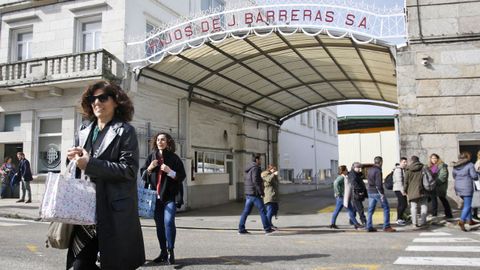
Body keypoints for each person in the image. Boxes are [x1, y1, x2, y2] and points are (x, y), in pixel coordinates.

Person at [66, 81, 145, 269]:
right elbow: (78, 167)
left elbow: (129, 170)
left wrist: (91, 164)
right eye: (93, 99)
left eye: (103, 98)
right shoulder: (84, 130)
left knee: (115, 264)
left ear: (116, 102)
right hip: (85, 210)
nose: (97, 102)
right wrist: (73, 159)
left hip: (112, 211)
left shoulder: (125, 131)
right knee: (79, 265)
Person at [140, 132, 186, 265]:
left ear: (168, 142)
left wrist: (169, 171)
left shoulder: (174, 158)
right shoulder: (151, 157)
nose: (160, 142)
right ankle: (163, 252)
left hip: (170, 197)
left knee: (169, 222)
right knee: (160, 226)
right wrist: (149, 168)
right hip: (155, 198)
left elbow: (181, 176)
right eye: (158, 140)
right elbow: (143, 175)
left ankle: (170, 250)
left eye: (163, 140)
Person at [238, 154, 274, 235]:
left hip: (249, 193)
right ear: (257, 160)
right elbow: (255, 181)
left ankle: (241, 228)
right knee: (263, 211)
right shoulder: (256, 168)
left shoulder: (249, 168)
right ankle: (267, 229)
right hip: (254, 194)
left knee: (246, 211)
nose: (261, 161)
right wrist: (261, 192)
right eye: (260, 159)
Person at [366, 156, 396, 232]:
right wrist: (382, 194)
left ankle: (369, 226)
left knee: (370, 210)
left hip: (370, 191)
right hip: (377, 192)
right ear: (381, 162)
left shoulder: (369, 170)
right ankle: (386, 226)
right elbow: (379, 184)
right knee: (386, 208)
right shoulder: (378, 171)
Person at [452, 151, 478, 231]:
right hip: (466, 187)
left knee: (467, 204)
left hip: (458, 187)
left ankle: (470, 220)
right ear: (467, 157)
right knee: (468, 205)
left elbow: (454, 176)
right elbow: (474, 176)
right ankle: (462, 221)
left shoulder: (455, 166)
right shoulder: (470, 165)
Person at [404, 156, 428, 228]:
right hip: (423, 189)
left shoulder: (408, 170)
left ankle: (414, 223)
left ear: (411, 161)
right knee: (423, 206)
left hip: (412, 190)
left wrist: (405, 190)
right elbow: (431, 175)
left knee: (413, 207)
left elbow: (406, 182)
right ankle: (423, 222)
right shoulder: (423, 168)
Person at [428, 153, 453, 219]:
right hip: (434, 186)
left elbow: (443, 176)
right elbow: (431, 176)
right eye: (432, 158)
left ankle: (449, 214)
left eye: (435, 158)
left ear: (438, 159)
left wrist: (435, 183)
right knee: (433, 199)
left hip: (440, 186)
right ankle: (434, 214)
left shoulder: (442, 166)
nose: (433, 160)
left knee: (443, 199)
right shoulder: (434, 166)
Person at [262, 164, 279, 229]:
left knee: (273, 210)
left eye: (275, 169)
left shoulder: (272, 175)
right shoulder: (265, 174)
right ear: (269, 169)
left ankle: (270, 223)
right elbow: (269, 180)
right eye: (273, 169)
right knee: (270, 210)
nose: (274, 170)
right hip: (269, 195)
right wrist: (273, 174)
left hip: (274, 196)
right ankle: (267, 225)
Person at [393, 157, 408, 225]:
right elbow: (399, 181)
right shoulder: (398, 170)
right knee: (403, 204)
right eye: (404, 162)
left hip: (399, 189)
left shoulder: (402, 169)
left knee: (401, 204)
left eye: (406, 162)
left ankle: (400, 218)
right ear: (400, 162)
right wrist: (403, 191)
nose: (405, 163)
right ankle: (399, 218)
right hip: (399, 189)